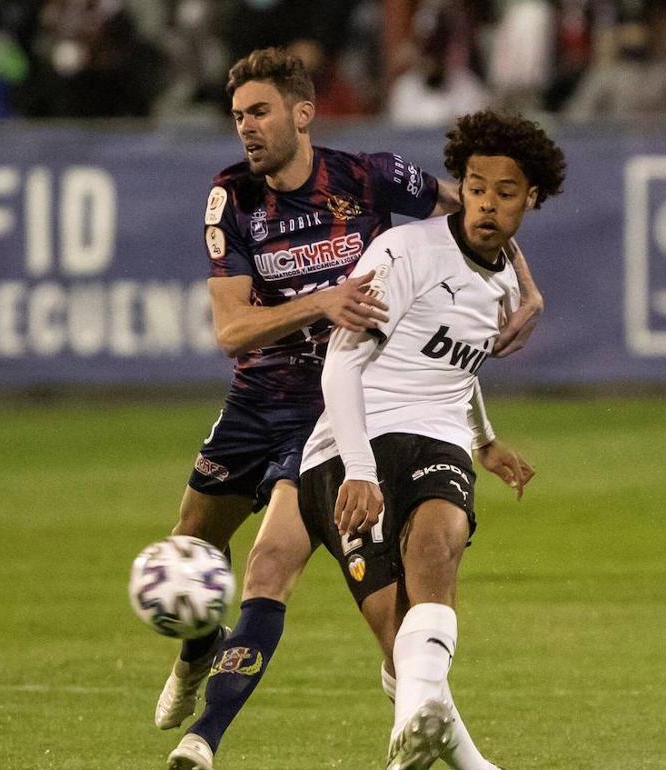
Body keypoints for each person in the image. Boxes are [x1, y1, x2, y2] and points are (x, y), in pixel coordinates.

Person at [156, 46, 544, 740]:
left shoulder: (368, 176)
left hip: (331, 406)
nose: (245, 127)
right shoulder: (233, 198)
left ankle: (408, 720)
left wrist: (527, 286)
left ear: (302, 114)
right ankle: (193, 654)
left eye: (259, 112)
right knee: (189, 548)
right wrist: (323, 300)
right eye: (238, 115)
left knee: (275, 564)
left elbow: (478, 212)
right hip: (256, 399)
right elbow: (232, 333)